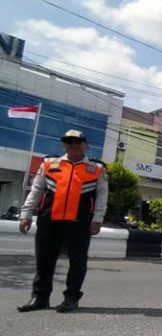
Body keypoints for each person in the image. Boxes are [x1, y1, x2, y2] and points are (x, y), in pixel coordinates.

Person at [17, 129, 108, 313]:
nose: (74, 145)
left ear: (85, 146)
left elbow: (102, 196)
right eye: (69, 142)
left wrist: (97, 219)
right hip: (49, 219)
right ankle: (39, 297)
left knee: (77, 262)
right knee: (44, 260)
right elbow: (36, 190)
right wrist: (25, 214)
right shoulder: (49, 163)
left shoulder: (97, 168)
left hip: (80, 222)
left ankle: (71, 298)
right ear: (64, 145)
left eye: (78, 142)